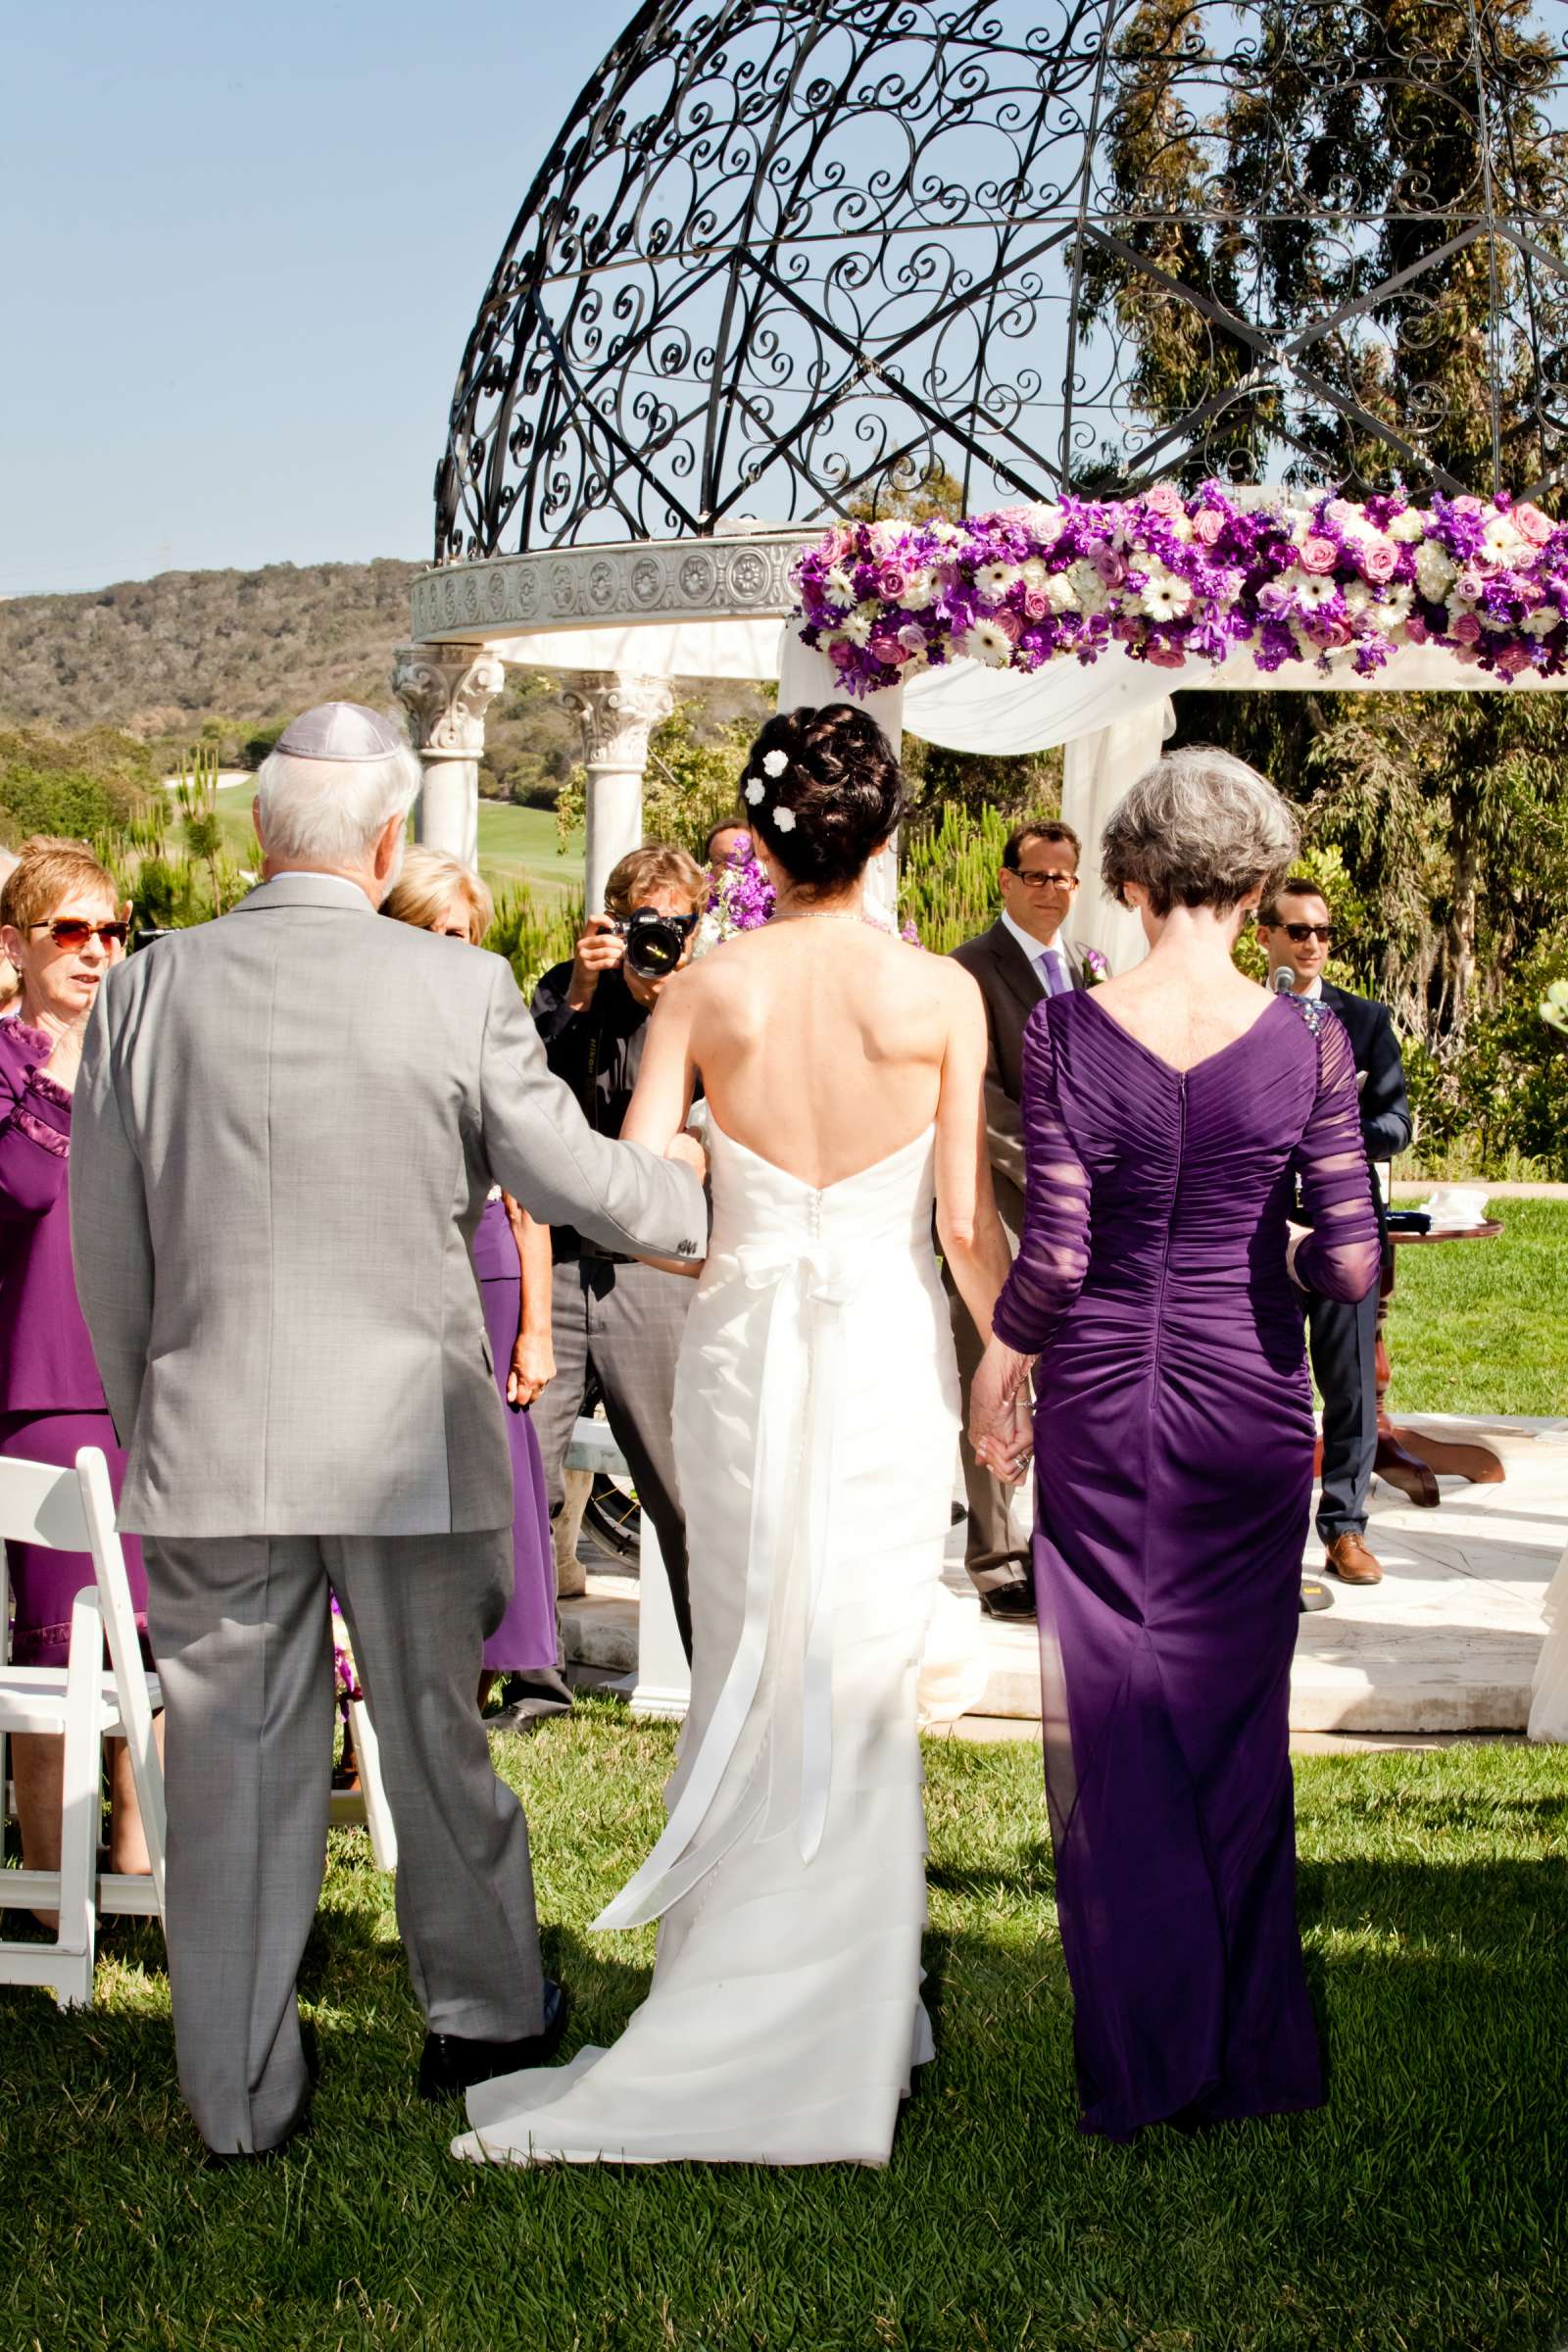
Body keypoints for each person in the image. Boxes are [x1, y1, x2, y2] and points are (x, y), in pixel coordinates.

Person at [70, 702, 706, 2162]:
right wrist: (709, 1206)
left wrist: (150, 1405)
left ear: (255, 836)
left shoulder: (147, 992)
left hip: (208, 1437)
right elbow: (571, 1178)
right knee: (432, 1734)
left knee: (228, 1760)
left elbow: (110, 1249)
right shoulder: (457, 982)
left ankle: (235, 2099)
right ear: (380, 844)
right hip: (407, 1444)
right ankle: (483, 2019)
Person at [454, 703, 1021, 2170]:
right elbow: (963, 1224)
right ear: (886, 835)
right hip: (888, 1355)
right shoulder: (940, 998)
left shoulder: (705, 989)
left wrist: (737, 1231)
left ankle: (758, 1986)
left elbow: (643, 1204)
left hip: (746, 1349)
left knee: (753, 1648)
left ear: (762, 845)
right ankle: (848, 2017)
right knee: (857, 1661)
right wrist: (1010, 1357)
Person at [970, 747, 1380, 2143]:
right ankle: (1251, 2053)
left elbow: (1063, 1251)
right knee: (1233, 1712)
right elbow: (1354, 1267)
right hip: (1252, 1398)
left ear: (1136, 879)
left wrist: (998, 1357)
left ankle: (1147, 2051)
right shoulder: (1311, 1041)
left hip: (1107, 1396)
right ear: (1259, 885)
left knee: (1121, 1703)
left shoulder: (1071, 1033)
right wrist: (1288, 1240)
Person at [0, 839, 159, 1904]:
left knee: (162, 1655)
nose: (97, 950)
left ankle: (146, 1878)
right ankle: (56, 1891)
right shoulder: (4, 1068)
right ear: (16, 945)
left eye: (112, 929)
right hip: (45, 1390)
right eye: (72, 930)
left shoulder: (148, 1060)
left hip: (159, 1389)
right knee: (60, 1664)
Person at [382, 847, 558, 1717]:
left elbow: (532, 1190)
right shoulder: (361, 1022)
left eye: (464, 933)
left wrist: (537, 1330)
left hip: (485, 1265)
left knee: (494, 1473)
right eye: (432, 930)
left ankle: (471, 1680)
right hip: (383, 1265)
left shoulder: (498, 1023)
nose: (451, 947)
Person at [525, 845, 709, 1674]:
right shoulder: (565, 991)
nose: (659, 943)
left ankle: (718, 1685)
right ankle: (526, 1674)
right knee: (522, 1474)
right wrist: (583, 996)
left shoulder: (710, 1006)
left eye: (678, 925)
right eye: (646, 926)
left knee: (680, 1486)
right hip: (558, 1264)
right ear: (611, 921)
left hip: (652, 1271)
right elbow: (535, 1101)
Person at [949, 820, 1104, 1620]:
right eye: (1037, 876)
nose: (1052, 889)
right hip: (999, 1201)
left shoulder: (1084, 970)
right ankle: (995, 1556)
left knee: (1072, 1377)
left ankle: (1065, 1547)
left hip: (1081, 1212)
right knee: (995, 1367)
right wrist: (1058, 1162)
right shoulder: (971, 971)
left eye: (1065, 877)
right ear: (1005, 881)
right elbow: (973, 1094)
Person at [1258, 879, 1412, 1590]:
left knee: (1349, 1384)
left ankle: (1345, 1531)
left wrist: (1330, 1129)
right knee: (1266, 1385)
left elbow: (1396, 1125)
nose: (1313, 943)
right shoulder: (1242, 1017)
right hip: (1259, 1231)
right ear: (1264, 937)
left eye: (1323, 932)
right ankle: (1266, 1535)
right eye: (1298, 931)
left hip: (1344, 1228)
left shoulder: (1367, 1019)